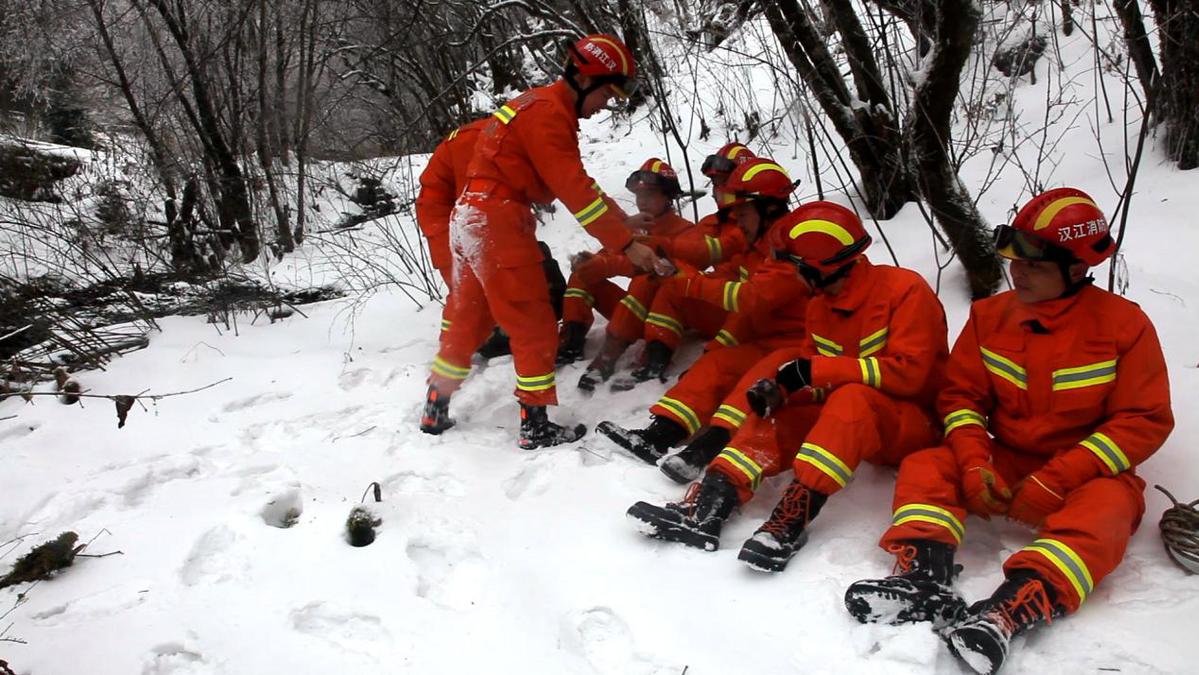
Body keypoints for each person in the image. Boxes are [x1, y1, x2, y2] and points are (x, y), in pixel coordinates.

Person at [843, 188, 1173, 675]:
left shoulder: (1125, 326)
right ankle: (922, 578)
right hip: (1007, 459)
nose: (1018, 274)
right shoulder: (989, 316)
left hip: (1087, 474)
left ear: (1077, 269)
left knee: (1111, 509)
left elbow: (1143, 420)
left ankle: (1012, 608)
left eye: (1034, 266)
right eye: (1014, 262)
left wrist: (1058, 479)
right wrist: (973, 463)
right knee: (928, 465)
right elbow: (961, 399)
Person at [626, 201, 949, 576]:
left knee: (853, 398)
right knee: (780, 410)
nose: (791, 275)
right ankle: (711, 502)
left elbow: (911, 375)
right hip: (851, 424)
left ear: (817, 266)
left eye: (794, 265)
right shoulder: (820, 306)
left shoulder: (905, 290)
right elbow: (819, 381)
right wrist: (785, 390)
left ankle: (789, 521)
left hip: (912, 426)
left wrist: (813, 371)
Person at [419, 34, 660, 449]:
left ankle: (435, 405)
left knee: (469, 318)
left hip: (470, 218)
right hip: (497, 221)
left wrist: (623, 223)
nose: (603, 106)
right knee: (533, 323)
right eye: (606, 94)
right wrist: (626, 244)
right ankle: (535, 426)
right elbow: (574, 190)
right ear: (584, 79)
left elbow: (577, 183)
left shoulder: (535, 105)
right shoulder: (548, 115)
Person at [595, 189, 811, 477]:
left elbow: (749, 298)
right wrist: (658, 245)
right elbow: (705, 251)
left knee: (751, 387)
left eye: (743, 214)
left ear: (768, 210)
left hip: (800, 346)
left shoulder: (794, 249)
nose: (738, 221)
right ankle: (658, 436)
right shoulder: (756, 239)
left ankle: (703, 451)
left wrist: (687, 283)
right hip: (765, 338)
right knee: (714, 366)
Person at [579, 157, 795, 391]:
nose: (719, 191)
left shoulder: (787, 244)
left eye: (724, 182)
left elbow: (748, 298)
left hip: (755, 324)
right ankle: (602, 350)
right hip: (729, 307)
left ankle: (640, 357)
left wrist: (712, 351)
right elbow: (705, 252)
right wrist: (650, 248)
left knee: (661, 280)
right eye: (716, 183)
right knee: (659, 279)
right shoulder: (733, 226)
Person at [415, 120, 565, 360]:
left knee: (474, 282)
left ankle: (460, 343)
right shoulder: (482, 141)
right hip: (445, 218)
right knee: (467, 285)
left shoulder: (496, 136)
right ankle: (455, 348)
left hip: (455, 213)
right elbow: (476, 197)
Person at [556, 158, 705, 368]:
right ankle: (570, 342)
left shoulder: (687, 231)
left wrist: (610, 265)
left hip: (667, 321)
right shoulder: (633, 228)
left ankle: (652, 355)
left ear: (668, 196)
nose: (642, 201)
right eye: (639, 195)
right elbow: (609, 254)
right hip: (632, 315)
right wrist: (591, 263)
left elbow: (667, 275)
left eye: (649, 194)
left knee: (645, 282)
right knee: (583, 275)